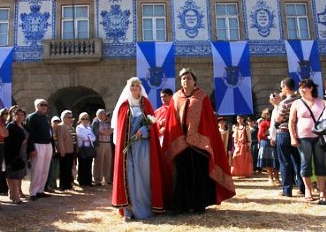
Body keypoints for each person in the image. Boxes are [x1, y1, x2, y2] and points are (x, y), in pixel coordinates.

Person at [162, 68, 235, 213]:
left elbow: (208, 121)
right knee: (182, 175)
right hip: (181, 144)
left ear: (195, 81)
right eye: (183, 78)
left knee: (199, 175)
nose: (186, 80)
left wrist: (200, 137)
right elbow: (171, 120)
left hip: (199, 145)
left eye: (189, 78)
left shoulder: (203, 97)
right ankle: (181, 205)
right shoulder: (176, 98)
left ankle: (198, 204)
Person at [111, 77, 165, 220]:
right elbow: (120, 128)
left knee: (144, 176)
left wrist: (144, 130)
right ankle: (129, 211)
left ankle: (145, 208)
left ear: (140, 88)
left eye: (137, 86)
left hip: (143, 147)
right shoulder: (123, 106)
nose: (135, 88)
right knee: (128, 176)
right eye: (132, 85)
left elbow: (153, 125)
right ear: (128, 88)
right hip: (128, 149)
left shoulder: (145, 104)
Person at [289, 79, 326, 204]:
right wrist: (293, 137)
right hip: (303, 137)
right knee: (305, 164)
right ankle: (308, 190)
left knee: (320, 164)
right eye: (300, 87)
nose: (301, 89)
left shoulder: (321, 102)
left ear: (311, 88)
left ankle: (322, 192)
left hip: (319, 137)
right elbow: (291, 122)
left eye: (304, 87)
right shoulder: (296, 103)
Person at [275, 77, 304, 197]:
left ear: (286, 88)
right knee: (299, 161)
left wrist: (276, 105)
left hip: (285, 132)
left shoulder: (284, 103)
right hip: (298, 132)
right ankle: (302, 188)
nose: (281, 89)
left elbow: (278, 118)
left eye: (282, 87)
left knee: (285, 162)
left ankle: (287, 190)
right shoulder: (301, 100)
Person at [4, 108, 35, 204]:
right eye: (18, 114)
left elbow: (30, 139)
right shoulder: (11, 126)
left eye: (22, 115)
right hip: (13, 153)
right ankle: (15, 196)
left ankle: (14, 194)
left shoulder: (25, 127)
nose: (20, 116)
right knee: (13, 175)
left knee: (19, 174)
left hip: (23, 153)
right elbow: (8, 141)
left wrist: (31, 150)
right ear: (14, 115)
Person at [26, 99, 53, 201]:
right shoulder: (31, 117)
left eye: (46, 105)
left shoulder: (46, 117)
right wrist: (31, 148)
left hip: (47, 144)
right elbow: (30, 134)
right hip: (38, 144)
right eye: (42, 105)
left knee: (45, 169)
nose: (44, 107)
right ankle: (33, 192)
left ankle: (40, 190)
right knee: (37, 169)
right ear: (37, 106)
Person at [257, 108, 280, 186]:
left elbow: (260, 135)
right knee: (274, 162)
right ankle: (276, 179)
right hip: (272, 143)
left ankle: (271, 179)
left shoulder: (263, 123)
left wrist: (261, 141)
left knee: (269, 163)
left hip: (266, 143)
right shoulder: (275, 122)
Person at [93, 109, 113, 186]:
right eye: (103, 114)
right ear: (99, 115)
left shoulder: (107, 124)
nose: (105, 115)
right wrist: (107, 131)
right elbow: (103, 132)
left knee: (107, 162)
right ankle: (98, 180)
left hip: (108, 144)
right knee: (99, 162)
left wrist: (107, 131)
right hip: (100, 144)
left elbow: (110, 131)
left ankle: (106, 179)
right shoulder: (96, 123)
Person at [56, 110, 75, 191]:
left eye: (71, 117)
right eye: (68, 117)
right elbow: (60, 140)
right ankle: (63, 185)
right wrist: (62, 150)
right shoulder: (60, 126)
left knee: (69, 168)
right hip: (64, 151)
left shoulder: (70, 127)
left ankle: (68, 184)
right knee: (64, 169)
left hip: (70, 150)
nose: (70, 119)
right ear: (63, 118)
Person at [76, 112, 95, 187]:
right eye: (83, 119)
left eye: (87, 119)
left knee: (89, 165)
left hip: (89, 148)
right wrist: (88, 137)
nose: (85, 120)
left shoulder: (89, 128)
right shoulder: (79, 127)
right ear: (80, 120)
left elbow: (93, 138)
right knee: (82, 165)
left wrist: (88, 138)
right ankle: (82, 182)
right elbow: (83, 137)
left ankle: (89, 181)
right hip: (82, 149)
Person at [45, 116, 61, 192]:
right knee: (51, 169)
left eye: (58, 122)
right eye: (55, 122)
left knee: (56, 169)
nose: (56, 123)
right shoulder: (49, 131)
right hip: (51, 152)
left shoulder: (60, 131)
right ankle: (50, 184)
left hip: (58, 153)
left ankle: (54, 184)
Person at [0, 108, 9, 197]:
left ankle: (4, 189)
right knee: (0, 170)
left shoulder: (6, 124)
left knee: (4, 170)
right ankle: (1, 189)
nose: (6, 115)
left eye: (7, 113)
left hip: (5, 148)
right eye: (4, 113)